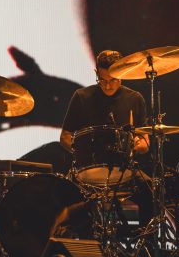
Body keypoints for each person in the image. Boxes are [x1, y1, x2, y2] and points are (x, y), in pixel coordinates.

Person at [60, 50, 152, 229]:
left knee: (152, 190)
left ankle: (140, 240)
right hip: (87, 170)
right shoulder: (81, 97)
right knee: (63, 194)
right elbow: (65, 136)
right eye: (102, 80)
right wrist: (81, 154)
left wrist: (137, 146)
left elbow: (145, 141)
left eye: (113, 80)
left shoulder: (135, 99)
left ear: (122, 75)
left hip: (124, 168)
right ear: (96, 74)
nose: (108, 86)